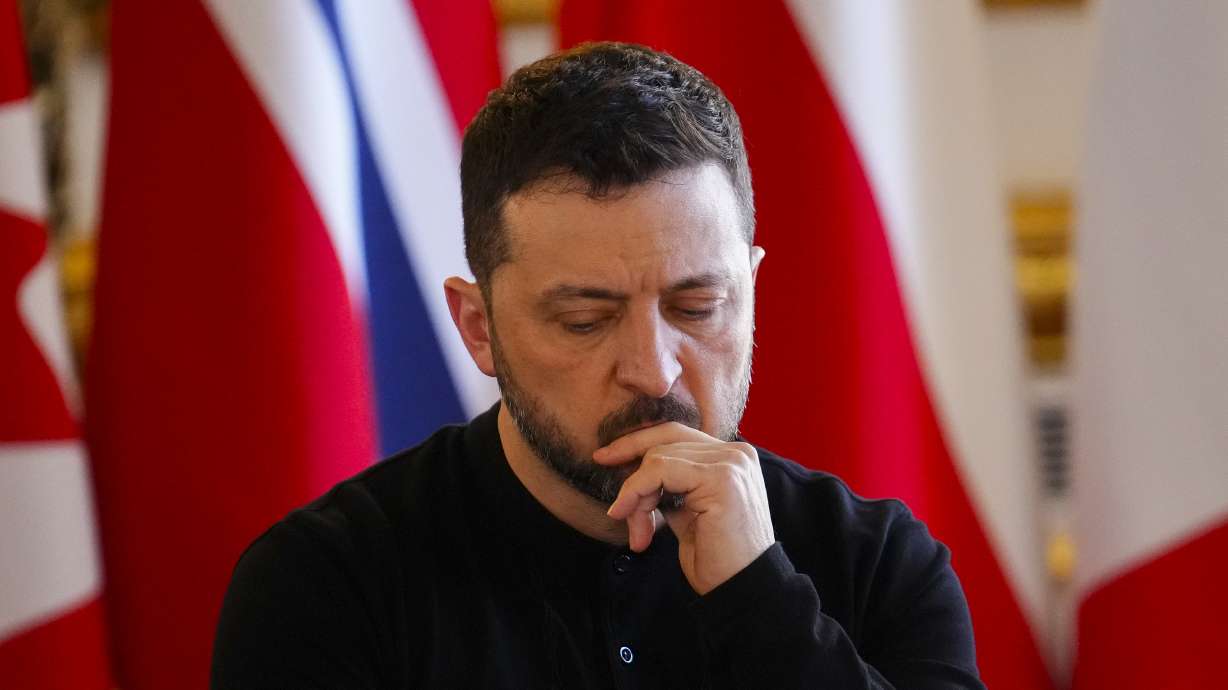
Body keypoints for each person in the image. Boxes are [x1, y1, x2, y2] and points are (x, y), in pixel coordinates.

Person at [211, 42, 984, 689]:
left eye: (695, 308)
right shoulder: (326, 584)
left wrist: (760, 597)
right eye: (585, 320)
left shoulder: (880, 568)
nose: (653, 373)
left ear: (750, 293)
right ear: (478, 328)